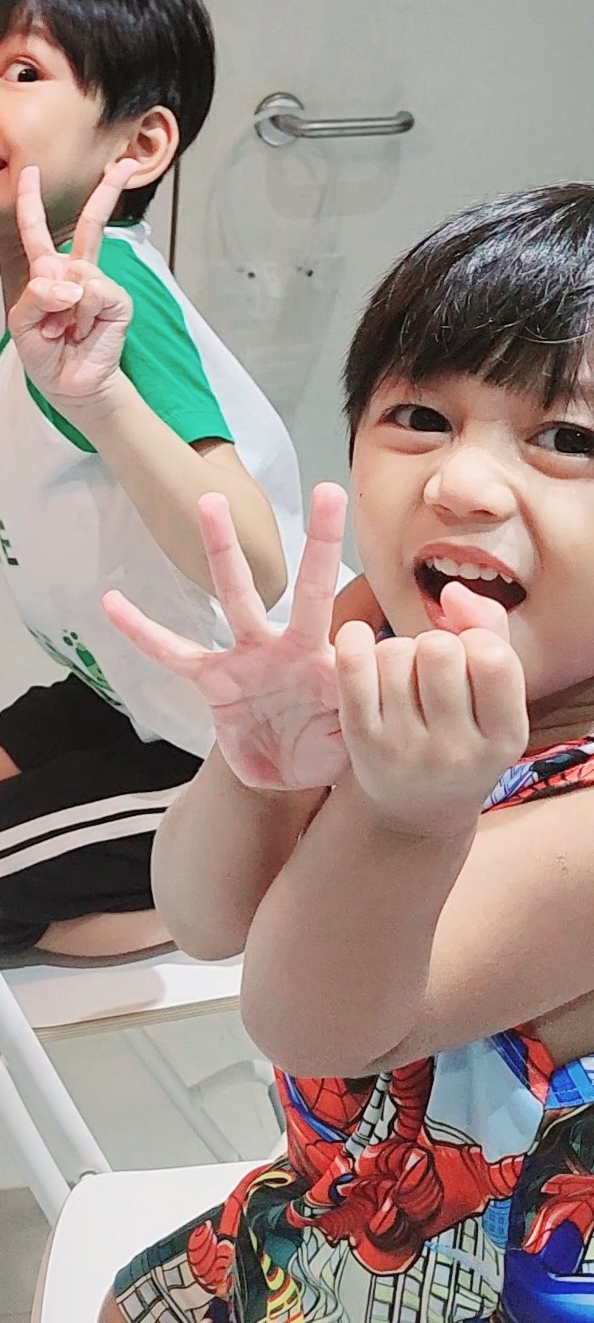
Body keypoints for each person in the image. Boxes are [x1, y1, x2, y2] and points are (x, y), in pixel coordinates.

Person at [98, 181, 594, 1323]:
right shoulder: (384, 628)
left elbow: (318, 1023)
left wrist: (404, 816)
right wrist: (254, 769)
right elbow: (206, 918)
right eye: (419, 418)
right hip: (321, 1222)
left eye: (567, 439)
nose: (462, 483)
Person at [0, 0, 337, 961]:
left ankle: (256, 887)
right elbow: (94, 468)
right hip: (134, 691)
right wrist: (0, 433)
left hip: (237, 748)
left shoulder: (117, 295)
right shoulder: (46, 286)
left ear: (136, 146)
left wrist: (94, 404)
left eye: (19, 71)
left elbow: (256, 555)